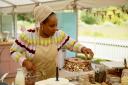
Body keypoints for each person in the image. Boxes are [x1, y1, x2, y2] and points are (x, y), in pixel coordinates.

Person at [10, 5, 94, 81]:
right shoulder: (27, 36)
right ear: (42, 24)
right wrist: (24, 61)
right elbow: (13, 51)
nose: (55, 28)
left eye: (56, 25)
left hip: (52, 79)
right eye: (51, 26)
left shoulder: (58, 35)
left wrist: (83, 48)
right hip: (32, 79)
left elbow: (72, 44)